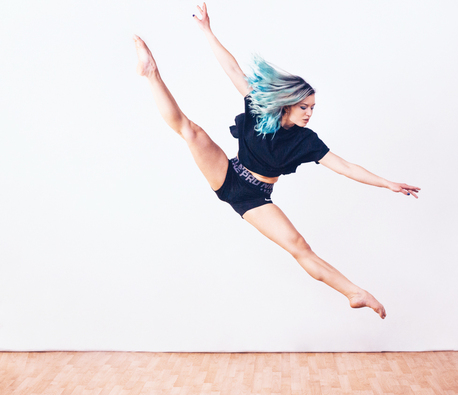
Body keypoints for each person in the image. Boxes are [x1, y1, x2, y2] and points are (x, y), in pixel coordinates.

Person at [133, 3, 420, 319]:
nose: (309, 114)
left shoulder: (306, 141)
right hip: (228, 174)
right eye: (304, 107)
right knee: (191, 131)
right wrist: (207, 31)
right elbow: (232, 69)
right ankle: (151, 73)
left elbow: (347, 167)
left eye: (312, 108)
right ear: (287, 105)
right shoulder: (259, 107)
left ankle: (355, 293)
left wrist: (387, 183)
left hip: (254, 197)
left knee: (299, 246)